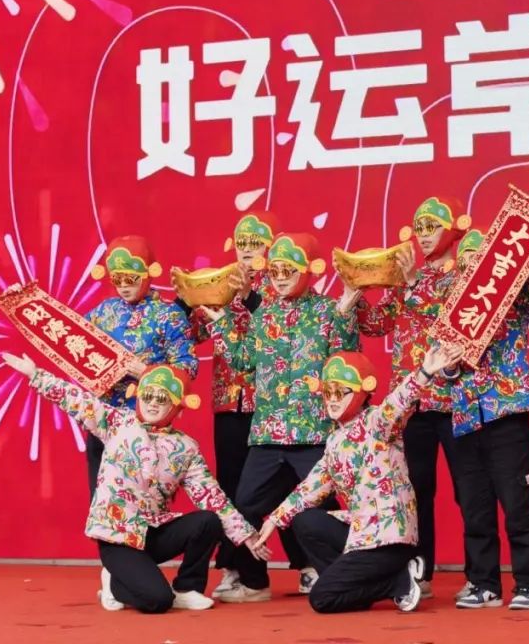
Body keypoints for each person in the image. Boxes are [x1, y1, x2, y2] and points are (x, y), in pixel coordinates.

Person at [2, 353, 270, 613]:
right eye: (147, 395)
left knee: (207, 521)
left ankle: (187, 588)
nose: (152, 404)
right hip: (118, 536)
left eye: (162, 399)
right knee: (157, 601)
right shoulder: (117, 423)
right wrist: (36, 375)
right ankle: (114, 580)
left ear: (177, 407)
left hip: (153, 532)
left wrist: (247, 534)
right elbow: (78, 400)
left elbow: (212, 497)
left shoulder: (185, 447)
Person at [202, 233, 360, 603]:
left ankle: (341, 577)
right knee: (246, 506)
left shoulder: (327, 311)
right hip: (268, 434)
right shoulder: (265, 313)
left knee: (323, 510)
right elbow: (243, 360)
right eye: (274, 270)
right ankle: (255, 582)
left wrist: (346, 312)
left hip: (313, 431)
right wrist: (221, 321)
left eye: (289, 270)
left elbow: (346, 357)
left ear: (310, 270)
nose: (280, 277)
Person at [253, 344, 465, 613]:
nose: (332, 399)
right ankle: (365, 589)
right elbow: (310, 487)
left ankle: (396, 581)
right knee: (306, 522)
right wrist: (274, 519)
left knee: (321, 599)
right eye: (327, 392)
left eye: (340, 392)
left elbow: (397, 403)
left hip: (388, 540)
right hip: (361, 535)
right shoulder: (334, 441)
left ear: (362, 392)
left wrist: (424, 372)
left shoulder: (377, 423)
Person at [340, 195, 472, 598]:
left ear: (453, 229)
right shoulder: (401, 281)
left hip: (454, 398)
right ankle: (420, 572)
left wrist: (414, 281)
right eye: (420, 228)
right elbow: (377, 324)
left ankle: (479, 576)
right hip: (411, 403)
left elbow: (449, 320)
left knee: (469, 490)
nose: (424, 235)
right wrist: (356, 291)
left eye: (432, 226)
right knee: (415, 491)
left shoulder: (462, 275)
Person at [178, 212, 315, 596]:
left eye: (257, 243)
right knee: (234, 489)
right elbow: (195, 333)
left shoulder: (280, 283)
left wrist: (248, 295)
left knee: (290, 488)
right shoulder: (220, 282)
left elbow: (283, 327)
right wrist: (187, 299)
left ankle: (309, 564)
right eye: (242, 242)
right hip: (230, 403)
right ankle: (243, 571)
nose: (248, 250)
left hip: (274, 403)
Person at [449, 227, 529, 611]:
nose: (470, 268)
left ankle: (527, 584)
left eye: (478, 261)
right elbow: (442, 369)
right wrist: (448, 366)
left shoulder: (516, 306)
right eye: (465, 263)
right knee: (474, 509)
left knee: (517, 507)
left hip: (507, 417)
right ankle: (485, 585)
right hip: (466, 420)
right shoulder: (452, 314)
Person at [84, 236, 197, 498]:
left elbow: (187, 368)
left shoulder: (168, 315)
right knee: (100, 501)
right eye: (117, 279)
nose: (124, 286)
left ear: (149, 272)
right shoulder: (102, 312)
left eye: (131, 278)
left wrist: (145, 372)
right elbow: (73, 344)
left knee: (140, 502)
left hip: (146, 426)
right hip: (103, 419)